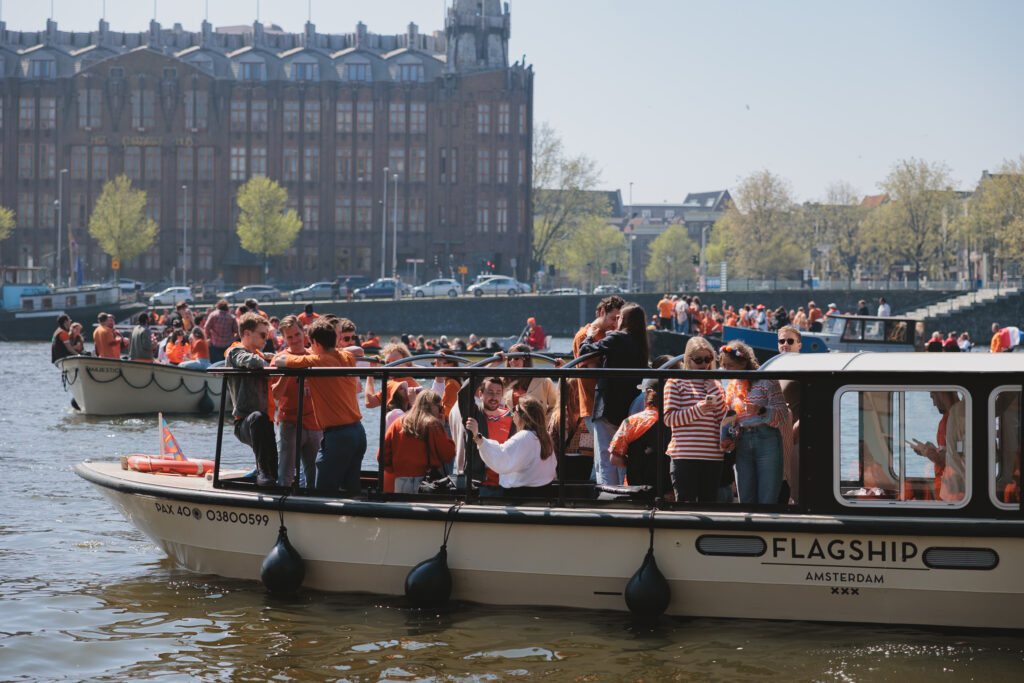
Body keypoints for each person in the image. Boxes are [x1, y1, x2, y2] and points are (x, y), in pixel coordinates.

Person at [275, 317, 365, 495]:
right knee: (351, 489)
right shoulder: (346, 356)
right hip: (358, 433)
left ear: (315, 342)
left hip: (338, 436)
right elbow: (355, 352)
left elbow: (281, 361)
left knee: (322, 491)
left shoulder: (316, 361)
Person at [578, 303, 650, 486]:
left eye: (619, 318)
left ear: (624, 320)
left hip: (608, 406)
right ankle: (625, 491)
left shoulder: (617, 338)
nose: (616, 321)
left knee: (605, 455)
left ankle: (609, 494)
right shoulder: (641, 343)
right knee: (621, 453)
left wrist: (588, 337)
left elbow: (585, 351)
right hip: (629, 405)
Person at [719, 341, 792, 504]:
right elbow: (730, 418)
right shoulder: (732, 386)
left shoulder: (767, 381)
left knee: (768, 498)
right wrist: (728, 436)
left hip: (766, 439)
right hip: (742, 441)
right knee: (746, 498)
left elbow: (782, 416)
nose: (726, 370)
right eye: (723, 366)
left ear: (743, 363)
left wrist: (761, 410)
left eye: (730, 366)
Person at [663, 337, 725, 502]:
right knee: (685, 505)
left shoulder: (716, 385)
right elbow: (669, 418)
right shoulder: (675, 382)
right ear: (687, 359)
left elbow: (723, 420)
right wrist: (700, 409)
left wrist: (714, 390)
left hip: (713, 456)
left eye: (708, 359)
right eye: (698, 360)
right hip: (684, 456)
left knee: (709, 506)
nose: (704, 364)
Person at [225, 312, 279, 486]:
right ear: (247, 334)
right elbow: (249, 361)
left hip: (265, 422)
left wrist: (272, 358)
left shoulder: (260, 354)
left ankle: (266, 475)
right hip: (245, 423)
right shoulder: (235, 351)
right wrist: (270, 361)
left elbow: (260, 359)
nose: (266, 339)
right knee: (258, 417)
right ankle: (262, 470)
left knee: (275, 471)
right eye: (263, 335)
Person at [466, 394, 556, 494]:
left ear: (523, 415)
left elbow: (502, 456)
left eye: (515, 409)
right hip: (544, 492)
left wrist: (477, 437)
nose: (512, 413)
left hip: (522, 495)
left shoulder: (525, 437)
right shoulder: (545, 436)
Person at [270, 315, 322, 488]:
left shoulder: (314, 357)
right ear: (284, 339)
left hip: (314, 422)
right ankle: (283, 504)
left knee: (314, 472)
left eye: (297, 335)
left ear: (304, 333)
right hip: (289, 422)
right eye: (289, 337)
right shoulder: (279, 360)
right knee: (285, 472)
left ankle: (314, 506)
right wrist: (289, 369)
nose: (294, 340)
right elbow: (276, 394)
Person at [381, 390, 456, 493]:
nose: (440, 412)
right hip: (426, 483)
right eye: (440, 408)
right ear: (432, 406)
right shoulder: (433, 425)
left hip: (401, 481)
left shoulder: (397, 423)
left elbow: (382, 456)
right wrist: (444, 430)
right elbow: (448, 454)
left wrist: (397, 471)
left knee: (402, 509)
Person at [457, 376, 515, 492]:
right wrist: (489, 368)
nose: (494, 397)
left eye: (498, 393)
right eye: (490, 392)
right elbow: (463, 393)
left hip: (505, 483)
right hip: (478, 483)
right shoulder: (473, 413)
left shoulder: (511, 417)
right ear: (480, 394)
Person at [908, 391, 966, 502]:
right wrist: (930, 450)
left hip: (954, 491)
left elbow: (952, 457)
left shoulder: (955, 418)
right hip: (948, 488)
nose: (934, 403)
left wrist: (930, 454)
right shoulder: (948, 419)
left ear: (941, 393)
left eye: (933, 397)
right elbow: (952, 452)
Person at [775, 325, 802, 503]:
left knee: (796, 489)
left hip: (795, 440)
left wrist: (794, 432)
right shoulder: (775, 368)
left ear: (799, 345)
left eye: (790, 341)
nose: (785, 344)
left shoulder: (804, 368)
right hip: (775, 440)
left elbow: (814, 404)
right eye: (781, 341)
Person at [502, 343, 559, 425]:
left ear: (526, 359)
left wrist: (542, 425)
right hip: (510, 431)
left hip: (536, 432)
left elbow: (555, 406)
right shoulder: (504, 381)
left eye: (516, 358)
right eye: (510, 358)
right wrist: (496, 361)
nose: (512, 361)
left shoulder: (544, 381)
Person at [204, 299, 238, 364]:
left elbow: (206, 328)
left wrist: (208, 338)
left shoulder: (213, 315)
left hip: (214, 344)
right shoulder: (232, 317)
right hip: (228, 345)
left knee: (215, 364)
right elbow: (237, 331)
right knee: (226, 364)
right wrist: (233, 339)